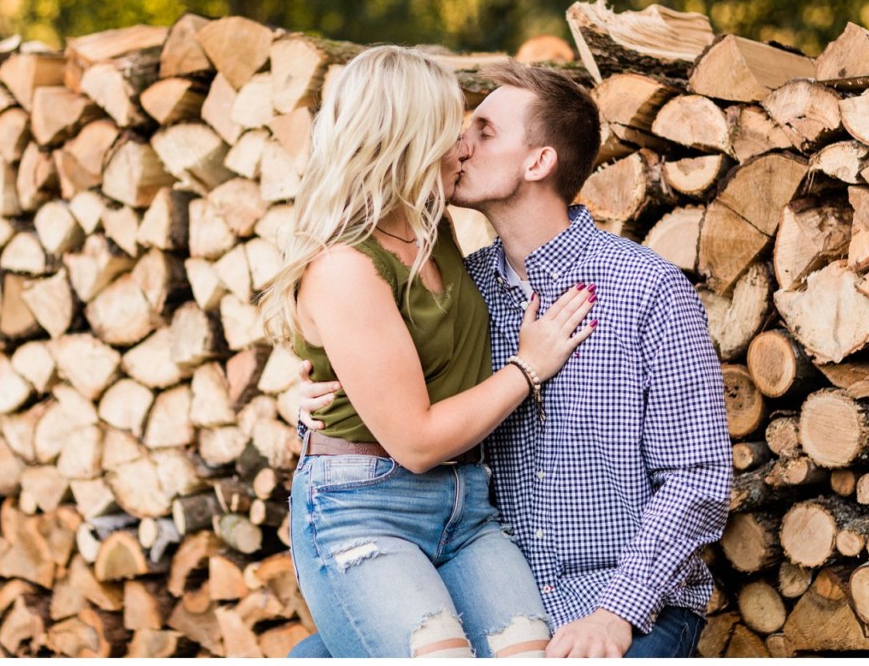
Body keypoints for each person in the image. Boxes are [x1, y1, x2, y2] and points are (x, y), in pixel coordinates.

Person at [292, 60, 732, 658]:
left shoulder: (646, 289)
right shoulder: (465, 292)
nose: (459, 146)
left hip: (619, 601)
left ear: (538, 162)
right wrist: (313, 397)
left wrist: (616, 612)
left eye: (485, 131)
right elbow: (397, 404)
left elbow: (698, 477)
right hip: (490, 593)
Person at [259, 45, 599, 658]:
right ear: (407, 142)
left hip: (463, 505)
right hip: (363, 506)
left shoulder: (430, 222)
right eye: (454, 131)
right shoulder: (344, 266)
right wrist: (529, 366)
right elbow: (414, 441)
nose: (466, 145)